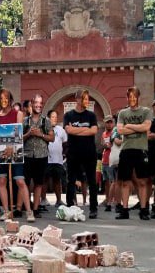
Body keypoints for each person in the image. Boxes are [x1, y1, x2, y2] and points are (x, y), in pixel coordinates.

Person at [0, 88, 34, 222]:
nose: (4, 100)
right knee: (2, 180)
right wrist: (2, 136)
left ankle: (29, 211)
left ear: (10, 99)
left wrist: (1, 137)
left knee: (20, 180)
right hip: (0, 150)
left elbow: (17, 133)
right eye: (1, 98)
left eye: (6, 98)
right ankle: (6, 211)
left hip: (15, 149)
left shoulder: (18, 114)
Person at [115, 86, 153, 220]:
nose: (132, 99)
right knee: (125, 182)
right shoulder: (122, 113)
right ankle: (124, 210)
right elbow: (120, 130)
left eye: (134, 96)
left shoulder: (146, 111)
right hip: (126, 149)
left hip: (141, 149)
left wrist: (129, 126)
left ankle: (143, 210)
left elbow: (147, 127)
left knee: (142, 181)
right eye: (130, 96)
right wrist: (139, 128)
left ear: (138, 97)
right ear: (127, 98)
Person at [64, 88, 98, 219]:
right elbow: (69, 131)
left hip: (89, 153)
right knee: (70, 180)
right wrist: (85, 129)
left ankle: (93, 208)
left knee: (92, 181)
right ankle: (69, 206)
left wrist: (76, 129)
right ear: (77, 99)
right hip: (73, 153)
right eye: (84, 98)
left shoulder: (91, 115)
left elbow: (93, 131)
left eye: (87, 99)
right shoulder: (68, 115)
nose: (86, 101)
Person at [21, 93, 54, 216]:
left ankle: (35, 208)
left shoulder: (46, 121)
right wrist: (29, 134)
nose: (38, 105)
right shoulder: (25, 121)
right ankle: (27, 207)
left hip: (42, 155)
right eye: (36, 103)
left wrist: (41, 135)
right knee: (27, 182)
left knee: (39, 183)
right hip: (28, 155)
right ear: (32, 103)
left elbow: (52, 138)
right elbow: (19, 138)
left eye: (40, 103)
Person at [45, 109, 67, 206]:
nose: (55, 119)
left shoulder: (60, 130)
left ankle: (58, 200)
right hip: (47, 159)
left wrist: (63, 155)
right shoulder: (44, 128)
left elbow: (65, 143)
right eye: (52, 117)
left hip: (58, 160)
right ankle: (43, 200)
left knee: (57, 180)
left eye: (56, 117)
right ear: (48, 118)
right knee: (44, 180)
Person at [100, 115, 117, 212]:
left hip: (112, 160)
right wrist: (104, 145)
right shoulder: (103, 134)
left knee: (112, 181)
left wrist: (108, 145)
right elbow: (102, 144)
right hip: (104, 160)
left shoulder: (114, 133)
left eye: (110, 122)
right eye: (107, 122)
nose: (109, 124)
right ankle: (107, 198)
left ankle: (113, 199)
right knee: (106, 182)